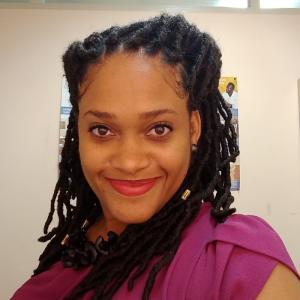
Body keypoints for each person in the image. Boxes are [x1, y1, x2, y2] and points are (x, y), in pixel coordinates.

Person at [12, 14, 300, 300]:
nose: (129, 161)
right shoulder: (68, 252)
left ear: (193, 129)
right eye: (102, 129)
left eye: (158, 129)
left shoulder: (237, 264)